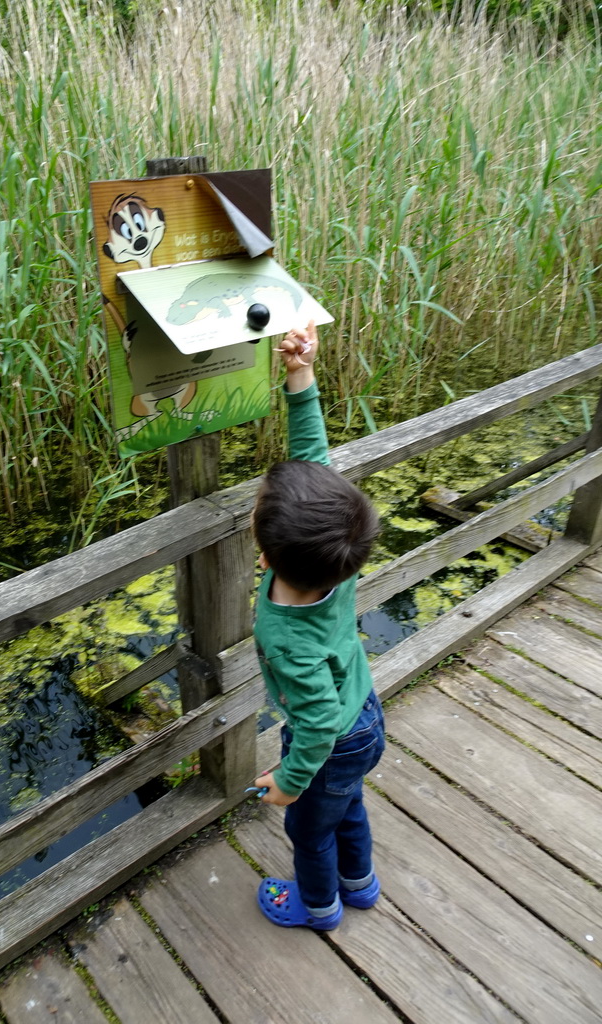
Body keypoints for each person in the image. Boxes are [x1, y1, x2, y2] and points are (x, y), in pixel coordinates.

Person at [251, 319, 384, 931]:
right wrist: (300, 377)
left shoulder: (286, 635)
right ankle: (360, 885)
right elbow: (314, 463)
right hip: (367, 716)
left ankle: (318, 905)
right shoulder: (338, 553)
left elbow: (319, 722)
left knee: (308, 828)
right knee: (347, 807)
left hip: (332, 740)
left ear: (269, 552)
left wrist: (287, 780)